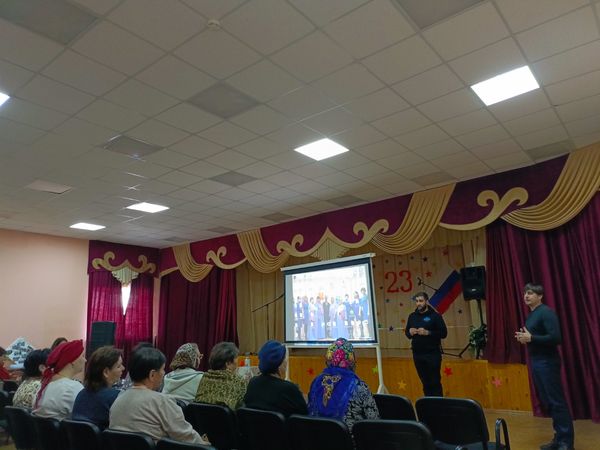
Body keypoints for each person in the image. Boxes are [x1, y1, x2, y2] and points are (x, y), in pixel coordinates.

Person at [515, 283, 574, 450]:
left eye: (531, 293)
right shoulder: (532, 315)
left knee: (556, 402)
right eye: (525, 293)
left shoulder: (546, 312)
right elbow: (535, 337)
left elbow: (556, 338)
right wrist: (525, 339)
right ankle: (559, 438)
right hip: (537, 362)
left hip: (547, 362)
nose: (526, 296)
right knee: (549, 402)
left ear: (540, 296)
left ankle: (566, 443)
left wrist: (531, 338)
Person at [109, 347, 205, 444]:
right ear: (152, 375)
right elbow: (187, 437)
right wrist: (205, 443)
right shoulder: (162, 402)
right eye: (163, 369)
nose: (164, 373)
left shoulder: (118, 400)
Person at [307, 338, 379, 432]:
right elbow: (375, 422)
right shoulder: (359, 387)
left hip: (316, 438)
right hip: (349, 440)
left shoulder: (316, 382)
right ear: (351, 360)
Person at [244, 340, 307, 418]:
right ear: (279, 365)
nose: (286, 363)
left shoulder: (253, 383)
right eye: (284, 360)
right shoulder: (289, 389)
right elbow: (304, 417)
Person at [404, 291, 447, 396]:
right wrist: (410, 332)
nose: (418, 303)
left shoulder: (435, 316)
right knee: (425, 382)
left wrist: (428, 332)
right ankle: (428, 403)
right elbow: (407, 333)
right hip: (417, 354)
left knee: (435, 382)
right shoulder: (412, 316)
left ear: (426, 302)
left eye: (421, 301)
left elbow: (443, 333)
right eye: (417, 301)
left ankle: (439, 404)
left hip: (432, 354)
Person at [72, 346, 124, 429]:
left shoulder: (81, 394)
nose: (123, 368)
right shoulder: (115, 397)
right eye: (119, 366)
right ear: (106, 372)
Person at [33, 340, 86, 420]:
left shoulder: (43, 385)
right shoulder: (73, 388)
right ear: (73, 360)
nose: (85, 360)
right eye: (82, 356)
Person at [194, 342, 247, 410]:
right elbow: (242, 408)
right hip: (225, 417)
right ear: (228, 363)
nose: (237, 361)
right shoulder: (238, 380)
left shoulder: (204, 377)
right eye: (236, 358)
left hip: (200, 416)